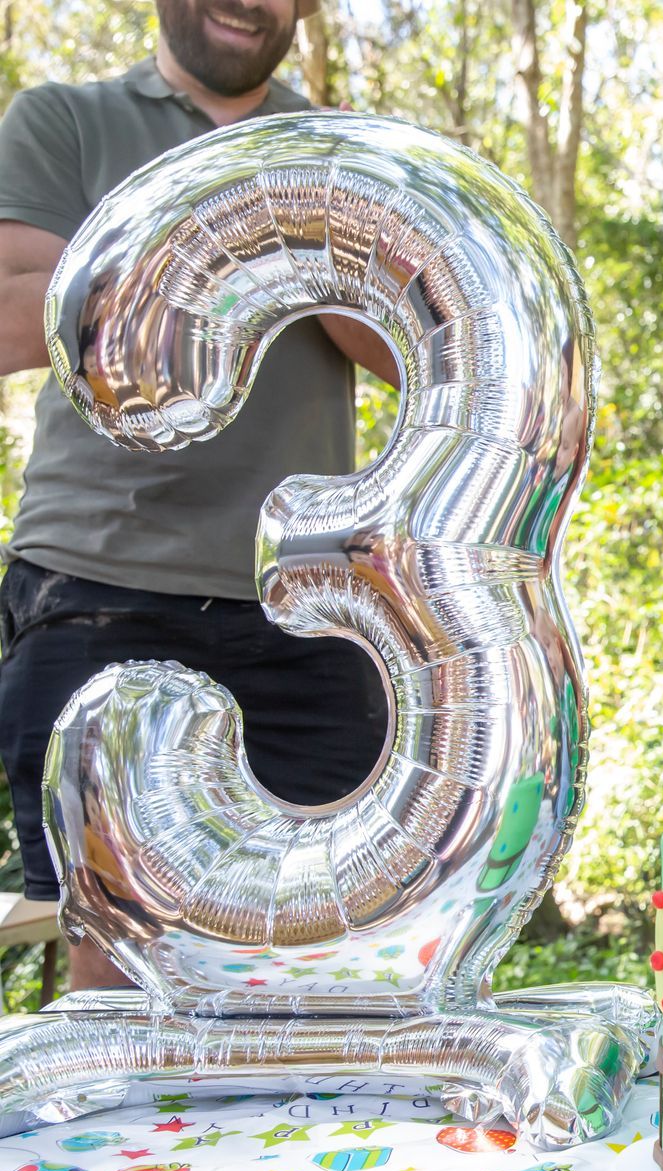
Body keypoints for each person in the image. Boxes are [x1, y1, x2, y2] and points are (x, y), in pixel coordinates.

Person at [0, 0, 401, 990]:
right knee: (119, 966)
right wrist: (255, 229)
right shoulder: (66, 120)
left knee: (324, 962)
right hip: (98, 589)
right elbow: (17, 318)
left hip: (307, 615)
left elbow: (409, 346)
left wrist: (328, 210)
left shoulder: (339, 148)